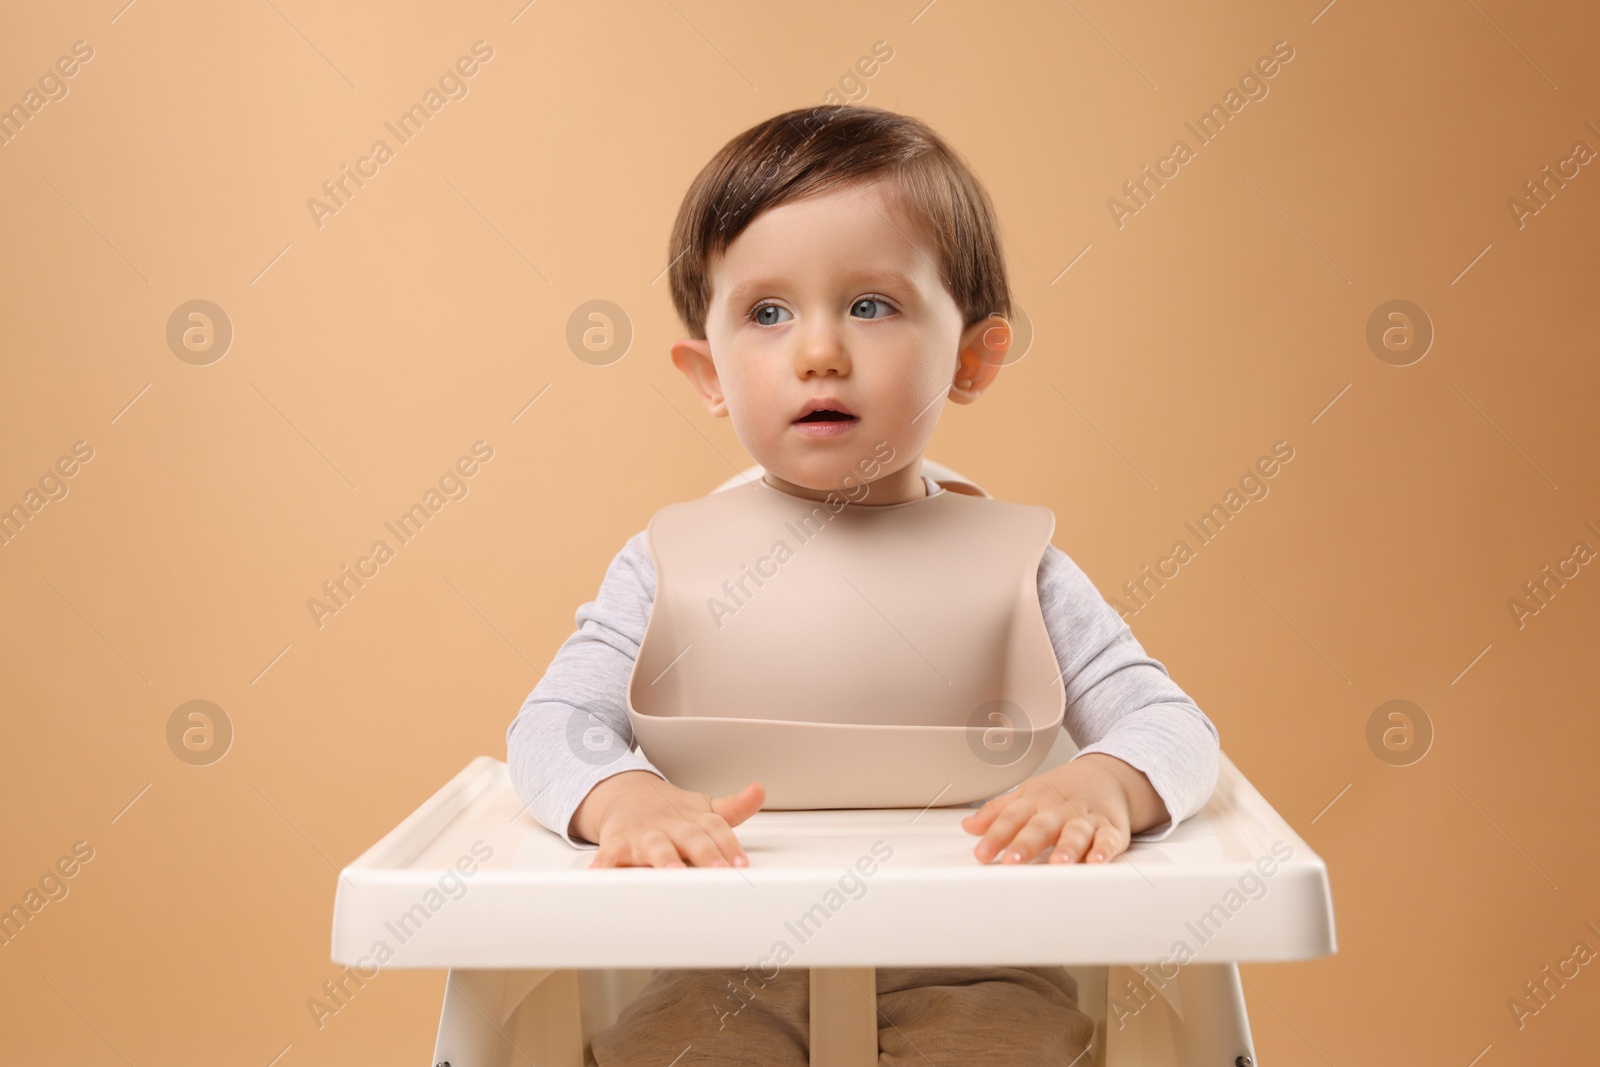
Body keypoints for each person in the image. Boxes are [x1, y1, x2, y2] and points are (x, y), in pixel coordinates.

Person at [506, 103, 1220, 1066]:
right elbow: (552, 728)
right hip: (722, 962)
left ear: (971, 355)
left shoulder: (1019, 567)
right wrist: (623, 797)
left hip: (977, 959)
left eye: (871, 306)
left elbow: (1172, 728)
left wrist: (1104, 780)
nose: (819, 351)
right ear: (707, 370)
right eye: (766, 313)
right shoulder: (667, 565)